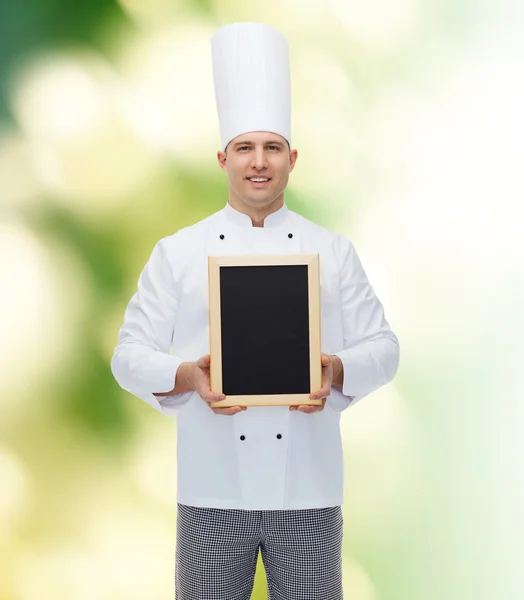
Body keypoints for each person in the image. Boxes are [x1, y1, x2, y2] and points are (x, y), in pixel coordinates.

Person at [111, 22, 399, 600]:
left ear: (293, 157)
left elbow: (385, 348)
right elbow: (127, 356)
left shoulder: (333, 251)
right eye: (245, 148)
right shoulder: (180, 252)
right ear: (223, 157)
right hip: (211, 492)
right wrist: (189, 375)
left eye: (272, 147)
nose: (259, 162)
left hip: (309, 495)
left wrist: (334, 369)